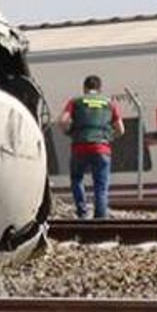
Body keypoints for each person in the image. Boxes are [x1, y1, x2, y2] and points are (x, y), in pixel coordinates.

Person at [56, 75, 124, 219]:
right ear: (99, 89)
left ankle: (82, 212)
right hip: (102, 148)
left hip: (79, 148)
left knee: (77, 179)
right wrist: (108, 137)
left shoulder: (75, 102)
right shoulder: (109, 104)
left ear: (85, 88)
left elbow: (62, 121)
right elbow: (121, 130)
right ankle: (100, 216)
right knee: (101, 185)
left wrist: (69, 133)